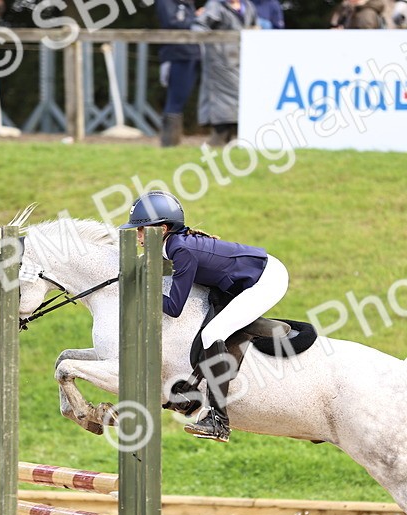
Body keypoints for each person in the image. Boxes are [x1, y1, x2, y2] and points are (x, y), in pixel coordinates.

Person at [119, 191, 289, 443]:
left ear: (163, 228)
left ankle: (218, 421)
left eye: (142, 230)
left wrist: (143, 290)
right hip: (243, 279)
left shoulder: (181, 249)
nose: (138, 236)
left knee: (213, 333)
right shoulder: (171, 245)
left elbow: (174, 307)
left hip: (266, 280)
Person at [192, 0, 259, 147]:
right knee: (222, 101)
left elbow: (255, 25)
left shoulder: (247, 6)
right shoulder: (216, 5)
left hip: (242, 60)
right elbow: (199, 27)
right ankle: (217, 140)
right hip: (220, 61)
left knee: (240, 98)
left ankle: (230, 140)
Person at [156, 0, 202, 147]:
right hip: (177, 55)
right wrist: (196, 19)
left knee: (181, 98)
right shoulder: (166, 2)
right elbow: (172, 22)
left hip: (192, 54)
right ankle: (169, 142)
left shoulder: (187, 3)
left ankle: (172, 142)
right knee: (175, 99)